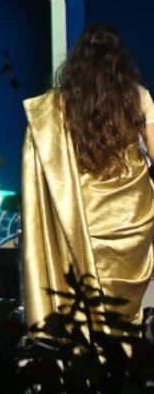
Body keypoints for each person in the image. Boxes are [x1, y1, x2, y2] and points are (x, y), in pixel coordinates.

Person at [22, 23, 154, 333]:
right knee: (121, 312)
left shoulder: (57, 105)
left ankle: (83, 354)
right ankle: (121, 351)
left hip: (80, 215)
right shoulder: (138, 97)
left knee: (79, 296)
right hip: (132, 217)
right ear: (121, 62)